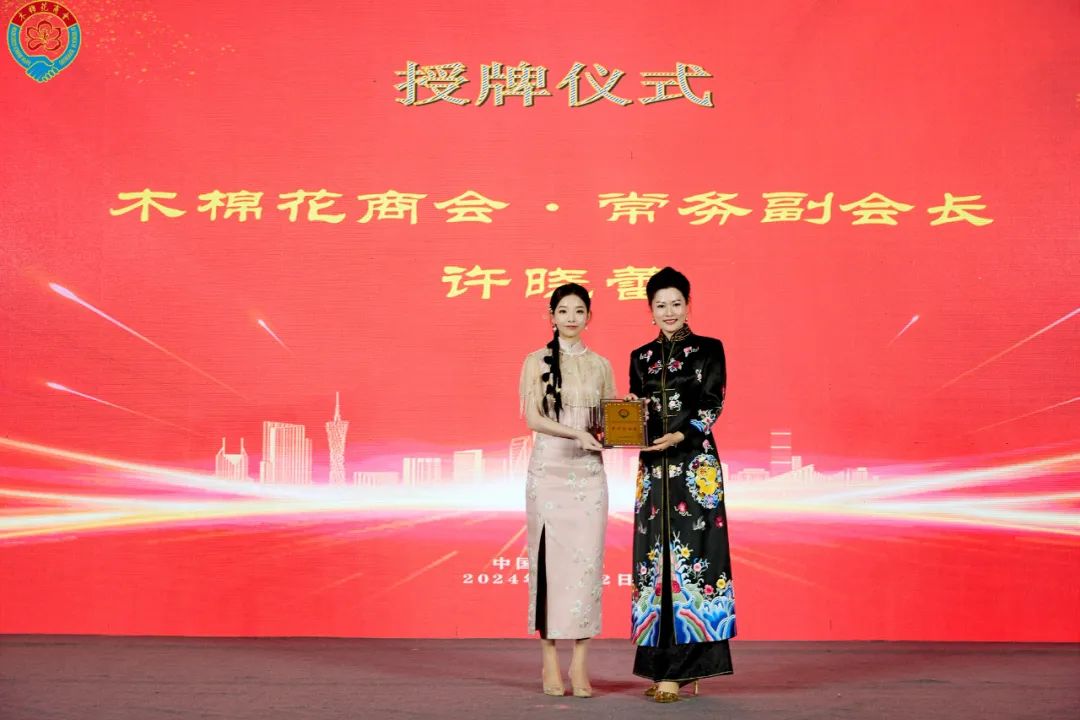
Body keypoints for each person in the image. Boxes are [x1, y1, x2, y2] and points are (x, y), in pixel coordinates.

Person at [625, 267, 735, 703]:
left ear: (689, 305)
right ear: (649, 309)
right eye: (660, 305)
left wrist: (681, 434)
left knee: (696, 562)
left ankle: (684, 670)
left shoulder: (709, 349)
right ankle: (661, 668)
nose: (668, 311)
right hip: (654, 469)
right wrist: (629, 415)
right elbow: (637, 409)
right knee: (655, 564)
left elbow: (711, 404)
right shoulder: (640, 357)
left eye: (676, 303)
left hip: (694, 466)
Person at [519, 283, 615, 698]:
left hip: (589, 476)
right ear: (551, 316)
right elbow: (533, 418)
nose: (571, 318)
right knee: (548, 569)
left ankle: (579, 664)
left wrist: (627, 419)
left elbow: (608, 421)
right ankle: (548, 662)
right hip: (550, 473)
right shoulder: (535, 361)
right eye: (563, 311)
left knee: (586, 568)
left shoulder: (601, 365)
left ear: (589, 316)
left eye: (579, 311)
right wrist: (576, 433)